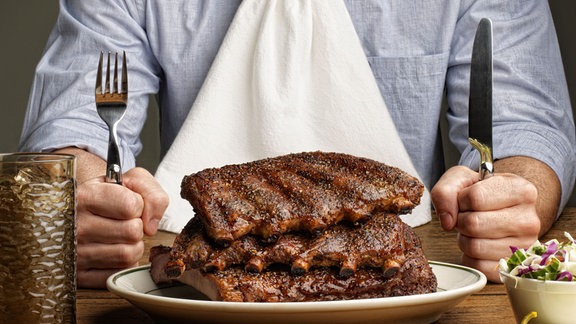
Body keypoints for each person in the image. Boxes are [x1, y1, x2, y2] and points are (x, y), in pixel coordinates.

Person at [19, 0, 575, 288]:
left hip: (400, 279)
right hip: (201, 279)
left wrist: (515, 192)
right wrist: (80, 197)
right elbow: (72, 130)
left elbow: (526, 125)